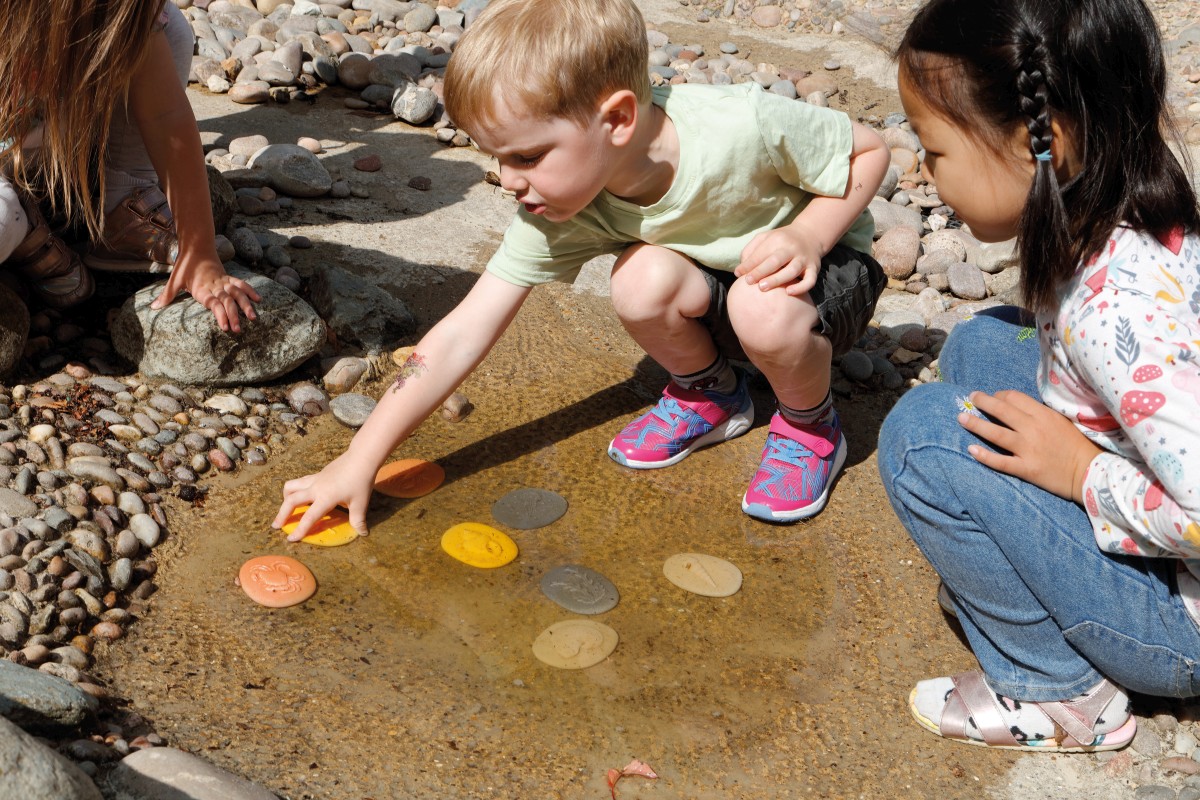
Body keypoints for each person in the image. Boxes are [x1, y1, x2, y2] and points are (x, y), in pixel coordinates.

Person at [274, 0, 888, 539]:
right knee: (637, 280)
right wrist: (361, 458)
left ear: (617, 120)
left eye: (528, 156)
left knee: (763, 309)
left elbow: (871, 149)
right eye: (496, 157)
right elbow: (464, 331)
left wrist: (809, 233)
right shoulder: (561, 208)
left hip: (821, 280)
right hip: (718, 285)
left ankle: (811, 426)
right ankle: (713, 394)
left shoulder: (740, 125)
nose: (508, 180)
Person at [877, 0, 1200, 752]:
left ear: (1037, 139)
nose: (922, 172)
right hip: (1166, 515)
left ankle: (1061, 692)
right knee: (982, 351)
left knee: (923, 441)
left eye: (934, 149)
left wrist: (1081, 472)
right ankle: (1035, 575)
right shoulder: (1131, 209)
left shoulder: (1114, 309)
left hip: (1180, 628)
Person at [0, 0, 259, 332]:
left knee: (171, 28)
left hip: (45, 134)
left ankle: (123, 199)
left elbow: (167, 118)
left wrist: (201, 252)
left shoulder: (124, 13)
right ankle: (23, 222)